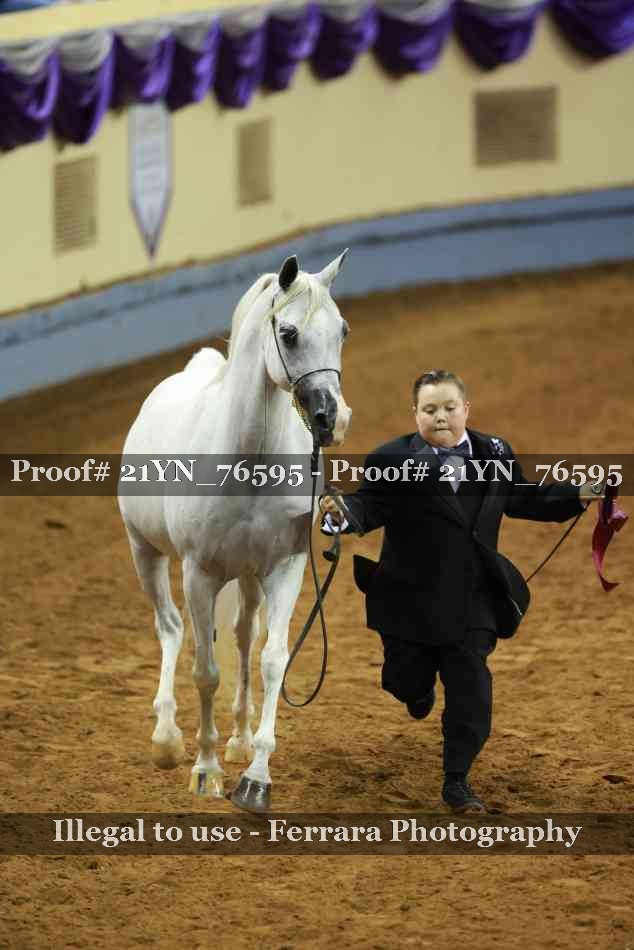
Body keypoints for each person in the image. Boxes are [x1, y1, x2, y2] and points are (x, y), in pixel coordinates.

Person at [320, 369, 603, 813]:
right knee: (403, 681)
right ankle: (417, 694)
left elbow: (523, 497)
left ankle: (457, 780)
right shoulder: (390, 459)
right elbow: (369, 505)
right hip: (408, 599)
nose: (441, 417)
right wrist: (339, 514)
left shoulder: (495, 451)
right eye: (430, 409)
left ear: (466, 410)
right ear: (415, 414)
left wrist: (578, 494)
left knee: (472, 689)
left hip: (473, 596)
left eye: (450, 408)